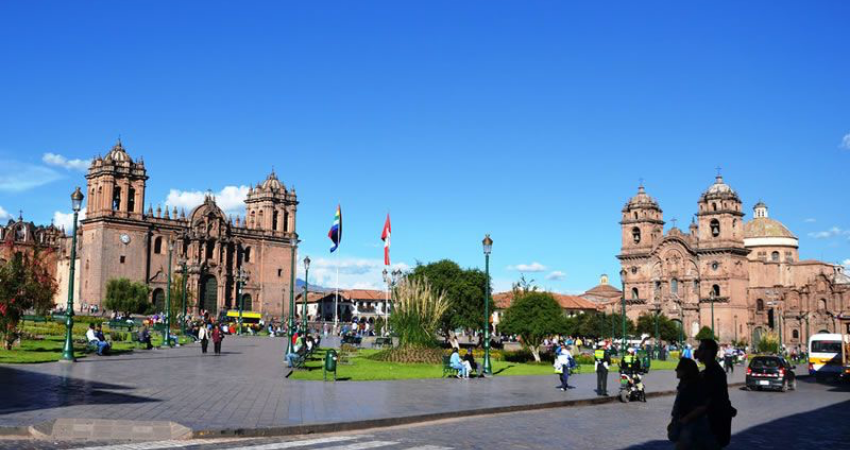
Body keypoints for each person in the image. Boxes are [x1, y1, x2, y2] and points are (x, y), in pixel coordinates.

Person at [695, 339, 736, 448]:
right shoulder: (709, 371)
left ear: (708, 352)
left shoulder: (713, 373)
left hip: (713, 426)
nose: (697, 351)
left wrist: (686, 419)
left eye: (701, 349)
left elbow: (707, 402)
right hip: (713, 425)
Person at [669, 357, 715, 449]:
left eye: (678, 368)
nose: (676, 370)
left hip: (692, 425)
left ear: (685, 371)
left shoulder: (694, 386)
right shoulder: (684, 384)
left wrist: (685, 419)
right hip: (686, 422)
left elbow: (702, 406)